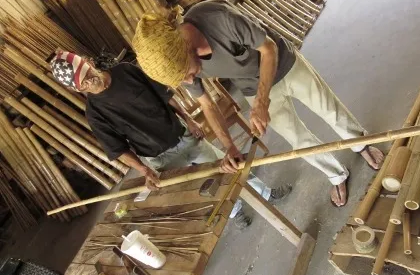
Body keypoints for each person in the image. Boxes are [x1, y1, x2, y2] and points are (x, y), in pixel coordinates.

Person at [132, 1, 384, 207]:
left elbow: (268, 49)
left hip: (285, 64)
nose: (189, 80)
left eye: (186, 73)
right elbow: (207, 105)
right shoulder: (178, 64)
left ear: (185, 46)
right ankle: (336, 173)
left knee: (329, 109)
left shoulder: (218, 18)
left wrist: (262, 101)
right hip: (252, 88)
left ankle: (360, 143)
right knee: (298, 139)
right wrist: (229, 146)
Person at [50, 51, 291, 228]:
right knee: (202, 186)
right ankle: (234, 211)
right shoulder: (94, 113)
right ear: (78, 90)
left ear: (90, 62)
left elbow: (164, 95)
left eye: (90, 74)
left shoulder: (125, 71)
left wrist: (190, 118)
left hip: (181, 135)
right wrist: (144, 170)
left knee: (228, 164)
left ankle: (266, 193)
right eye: (86, 84)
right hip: (158, 158)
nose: (93, 83)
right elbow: (117, 148)